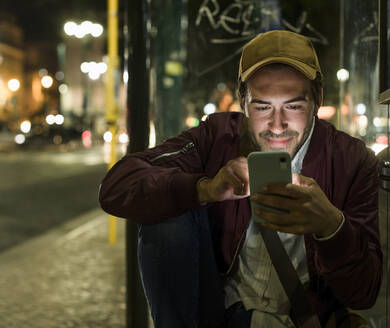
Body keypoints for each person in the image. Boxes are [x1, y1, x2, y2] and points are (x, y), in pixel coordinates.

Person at [99, 30, 382, 328]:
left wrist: (331, 227)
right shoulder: (217, 137)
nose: (277, 125)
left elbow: (364, 293)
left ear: (317, 100)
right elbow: (116, 186)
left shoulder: (351, 160)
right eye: (262, 106)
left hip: (303, 319)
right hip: (218, 313)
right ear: (242, 101)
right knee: (167, 215)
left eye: (293, 106)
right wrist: (206, 189)